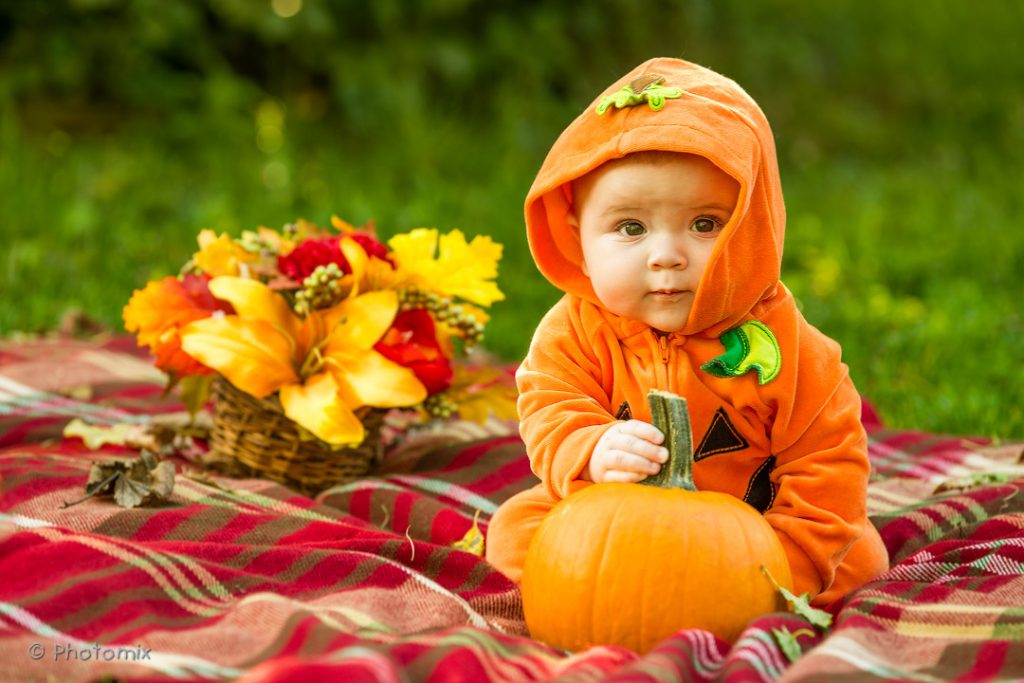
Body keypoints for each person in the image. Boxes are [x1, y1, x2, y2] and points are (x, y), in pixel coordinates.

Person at [485, 57, 888, 606]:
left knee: (858, 555)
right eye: (631, 228)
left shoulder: (791, 349)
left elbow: (827, 462)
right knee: (516, 532)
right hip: (618, 523)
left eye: (705, 224)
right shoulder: (576, 329)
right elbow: (550, 405)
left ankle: (725, 596)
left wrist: (786, 559)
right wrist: (592, 448)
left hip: (750, 535)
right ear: (578, 237)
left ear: (755, 226)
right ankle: (612, 594)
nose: (667, 256)